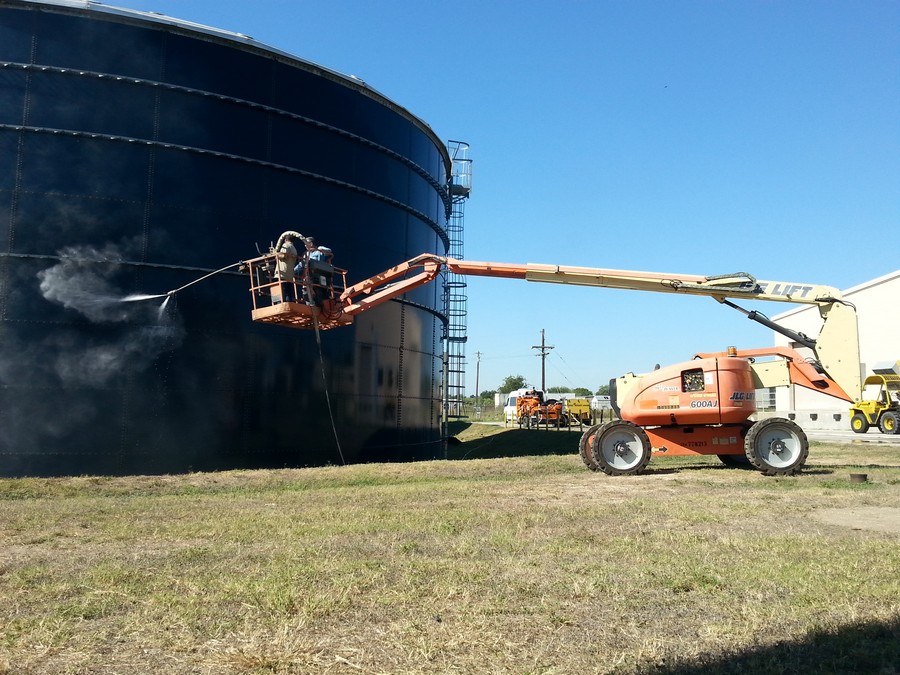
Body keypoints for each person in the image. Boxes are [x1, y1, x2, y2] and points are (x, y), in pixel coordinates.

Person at [299, 237, 334, 305]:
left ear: (311, 243)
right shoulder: (306, 254)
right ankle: (310, 305)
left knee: (319, 292)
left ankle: (320, 305)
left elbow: (329, 251)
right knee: (306, 291)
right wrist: (293, 271)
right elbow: (301, 264)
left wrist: (320, 249)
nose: (305, 246)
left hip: (319, 276)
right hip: (308, 277)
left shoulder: (319, 251)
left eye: (306, 244)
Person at [274, 234, 298, 303]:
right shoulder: (294, 248)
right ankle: (290, 302)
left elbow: (282, 255)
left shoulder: (286, 245)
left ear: (286, 240)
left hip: (282, 272)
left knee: (282, 290)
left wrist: (275, 254)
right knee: (288, 290)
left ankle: (280, 303)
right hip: (290, 274)